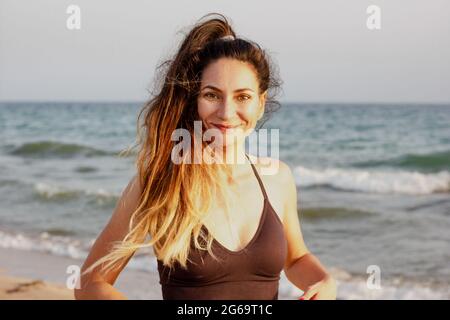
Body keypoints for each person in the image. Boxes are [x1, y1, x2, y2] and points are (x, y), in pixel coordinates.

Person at [74, 13, 336, 300]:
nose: (226, 112)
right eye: (212, 95)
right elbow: (89, 283)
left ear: (260, 104)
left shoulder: (278, 178)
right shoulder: (161, 181)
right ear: (194, 100)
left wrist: (324, 281)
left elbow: (296, 259)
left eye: (242, 97)